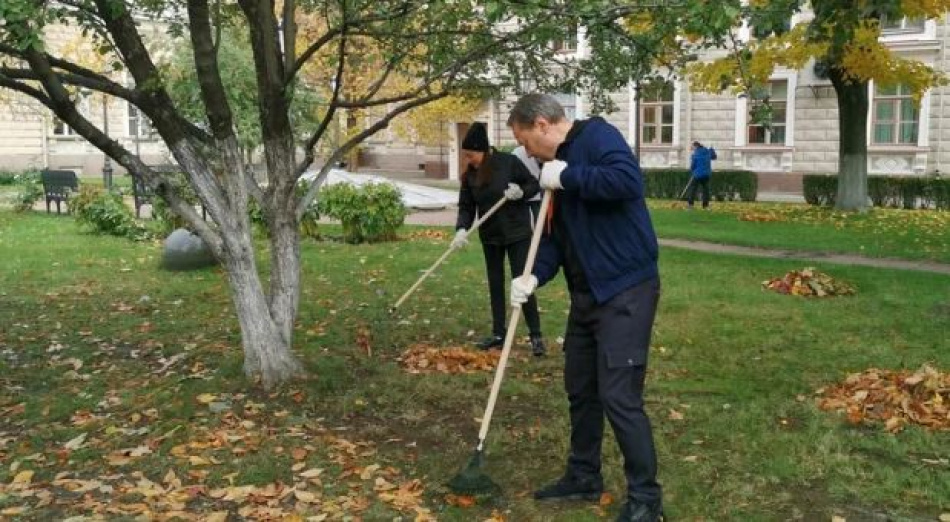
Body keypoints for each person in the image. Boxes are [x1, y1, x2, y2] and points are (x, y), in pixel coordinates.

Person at [506, 94, 663, 522]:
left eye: (523, 140)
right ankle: (583, 475)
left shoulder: (597, 136)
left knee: (619, 395)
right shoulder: (550, 171)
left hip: (626, 290)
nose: (524, 152)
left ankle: (647, 501)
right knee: (581, 388)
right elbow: (554, 238)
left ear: (541, 124)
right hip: (588, 296)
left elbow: (627, 181)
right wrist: (532, 276)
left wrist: (570, 176)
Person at [452, 122, 547, 357]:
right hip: (490, 235)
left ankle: (535, 335)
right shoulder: (470, 176)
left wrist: (520, 192)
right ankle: (498, 334)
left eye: (471, 154)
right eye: (466, 155)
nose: (468, 159)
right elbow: (466, 206)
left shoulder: (508, 163)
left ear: (483, 150)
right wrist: (461, 229)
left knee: (522, 283)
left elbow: (532, 184)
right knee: (495, 283)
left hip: (517, 233)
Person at [511, 145, 543, 224]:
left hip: (525, 192)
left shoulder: (516, 152)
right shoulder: (518, 152)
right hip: (531, 192)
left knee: (526, 221)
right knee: (539, 221)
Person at [687, 141, 715, 210]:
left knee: (693, 189)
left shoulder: (695, 154)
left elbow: (693, 166)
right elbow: (714, 157)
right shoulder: (707, 152)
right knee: (705, 190)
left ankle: (691, 205)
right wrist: (712, 149)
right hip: (706, 174)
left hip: (697, 175)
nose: (692, 149)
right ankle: (705, 206)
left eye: (692, 147)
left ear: (696, 146)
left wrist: (692, 170)